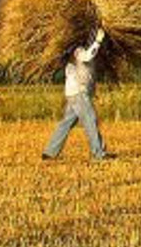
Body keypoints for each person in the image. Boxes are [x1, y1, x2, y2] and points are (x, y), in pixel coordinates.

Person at [42, 26, 110, 161]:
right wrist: (98, 41)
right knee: (90, 121)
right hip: (79, 94)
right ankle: (98, 154)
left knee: (66, 123)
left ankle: (49, 152)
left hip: (74, 94)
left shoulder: (71, 59)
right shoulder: (79, 51)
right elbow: (88, 56)